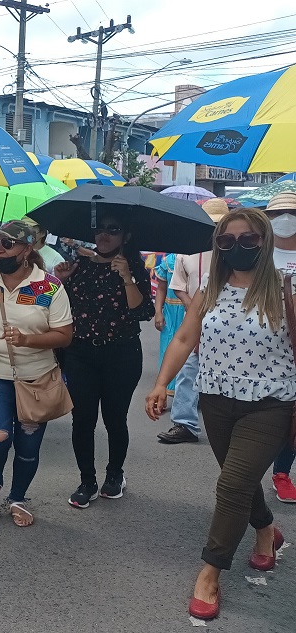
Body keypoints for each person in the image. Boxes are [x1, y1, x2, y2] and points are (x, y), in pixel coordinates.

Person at [146, 208, 292, 620]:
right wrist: (162, 384)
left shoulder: (286, 288)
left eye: (248, 240)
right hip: (216, 399)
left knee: (230, 484)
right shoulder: (211, 287)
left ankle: (210, 570)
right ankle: (265, 531)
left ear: (264, 241)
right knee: (239, 478)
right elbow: (185, 337)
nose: (237, 248)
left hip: (270, 403)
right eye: (227, 241)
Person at [0, 221, 73, 527]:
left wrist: (27, 340)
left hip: (37, 377)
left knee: (27, 447)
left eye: (6, 244)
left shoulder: (49, 287)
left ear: (27, 249)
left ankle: (18, 497)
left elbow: (64, 335)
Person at [54, 215, 154, 508]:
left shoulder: (135, 268)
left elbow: (142, 312)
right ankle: (87, 480)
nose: (104, 235)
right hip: (81, 353)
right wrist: (60, 282)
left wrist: (126, 277)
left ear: (126, 236)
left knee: (114, 418)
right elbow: (59, 309)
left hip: (121, 354)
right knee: (82, 419)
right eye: (100, 229)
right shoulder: (79, 267)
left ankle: (115, 475)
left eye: (114, 229)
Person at [157, 199, 229, 445]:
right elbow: (178, 287)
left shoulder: (232, 250)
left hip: (228, 321)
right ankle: (185, 423)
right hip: (197, 316)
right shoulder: (184, 253)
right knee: (188, 369)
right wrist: (196, 312)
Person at [264, 192, 296, 503]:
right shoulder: (259, 256)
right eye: (278, 213)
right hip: (265, 352)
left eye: (291, 212)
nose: (285, 219)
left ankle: (282, 472)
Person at [154, 253, 184, 396]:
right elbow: (161, 288)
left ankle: (188, 392)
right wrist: (158, 312)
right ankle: (164, 389)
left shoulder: (198, 260)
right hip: (170, 312)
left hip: (189, 311)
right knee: (166, 348)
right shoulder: (169, 261)